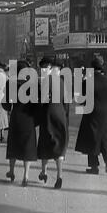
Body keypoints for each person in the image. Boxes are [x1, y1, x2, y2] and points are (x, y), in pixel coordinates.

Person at [75, 57, 107, 174]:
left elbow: (80, 99)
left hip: (90, 113)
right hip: (103, 114)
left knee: (91, 139)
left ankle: (94, 167)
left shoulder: (87, 81)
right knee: (103, 137)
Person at [3, 60, 38, 187]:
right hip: (28, 118)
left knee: (13, 144)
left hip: (16, 116)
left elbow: (5, 104)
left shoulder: (10, 83)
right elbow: (37, 104)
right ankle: (26, 175)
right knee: (27, 146)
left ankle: (11, 171)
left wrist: (9, 108)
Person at [37, 57, 69, 189]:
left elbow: (42, 101)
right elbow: (66, 103)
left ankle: (44, 172)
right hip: (60, 114)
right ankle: (59, 176)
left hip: (48, 115)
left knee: (45, 143)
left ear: (49, 67)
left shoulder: (46, 81)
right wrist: (66, 119)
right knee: (59, 146)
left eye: (44, 67)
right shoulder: (62, 82)